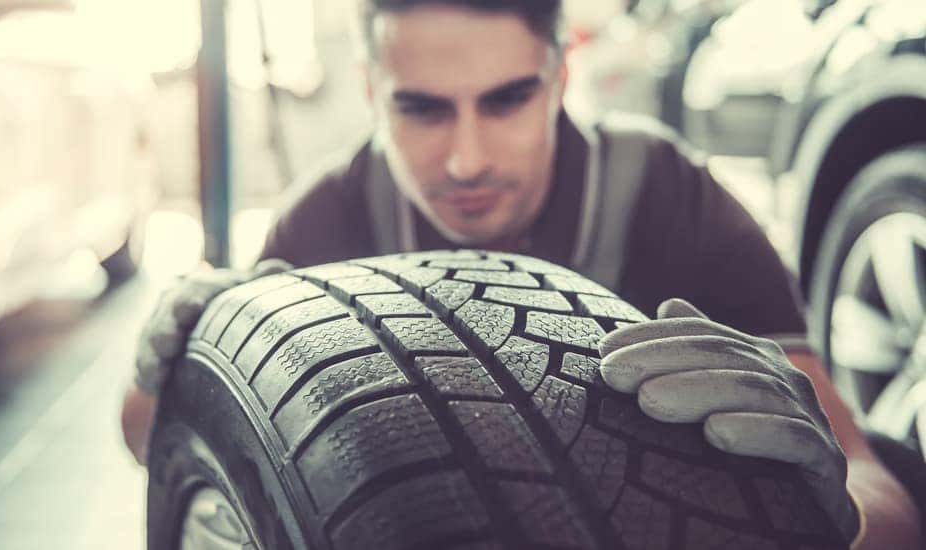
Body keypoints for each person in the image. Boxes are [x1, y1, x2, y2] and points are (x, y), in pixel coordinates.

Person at [121, 1, 922, 547]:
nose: (466, 158)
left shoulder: (666, 193)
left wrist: (837, 515)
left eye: (505, 100)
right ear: (371, 91)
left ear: (561, 75)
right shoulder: (327, 217)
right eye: (423, 109)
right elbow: (162, 445)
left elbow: (873, 481)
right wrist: (166, 371)